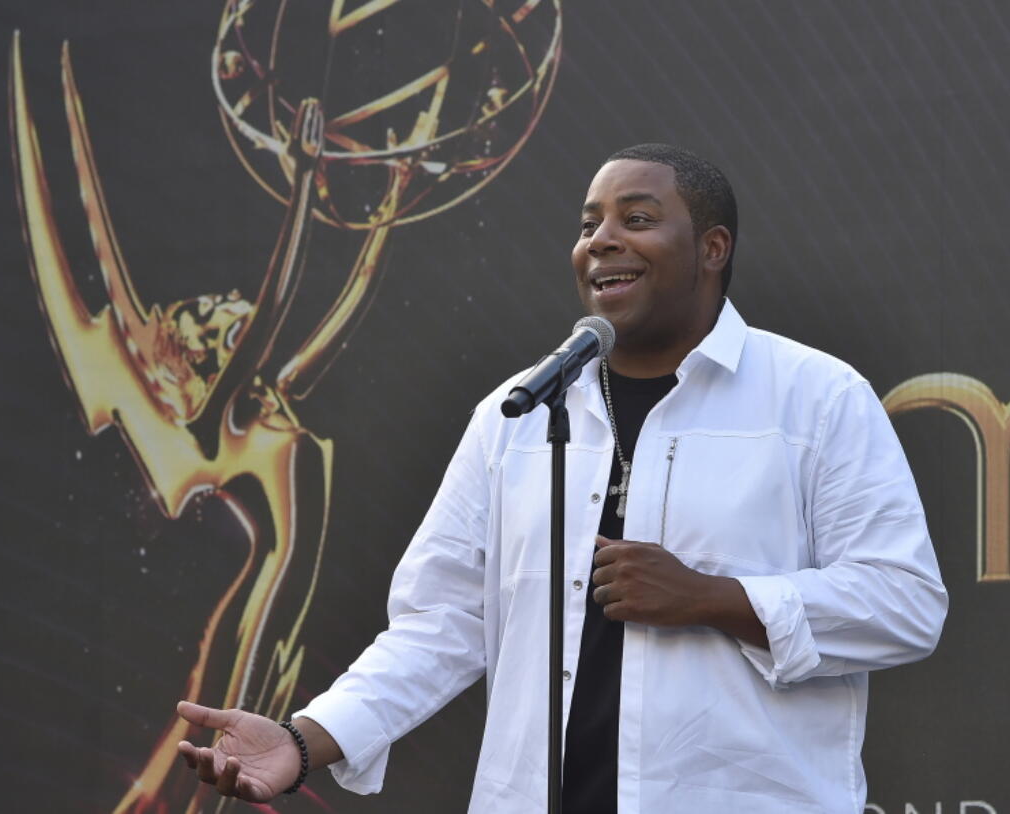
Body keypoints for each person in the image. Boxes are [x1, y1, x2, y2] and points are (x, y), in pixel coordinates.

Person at [176, 144, 948, 813]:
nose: (601, 241)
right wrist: (304, 741)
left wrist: (713, 598)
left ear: (713, 248)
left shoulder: (814, 397)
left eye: (636, 219)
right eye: (588, 225)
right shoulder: (518, 414)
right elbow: (440, 623)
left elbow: (905, 601)